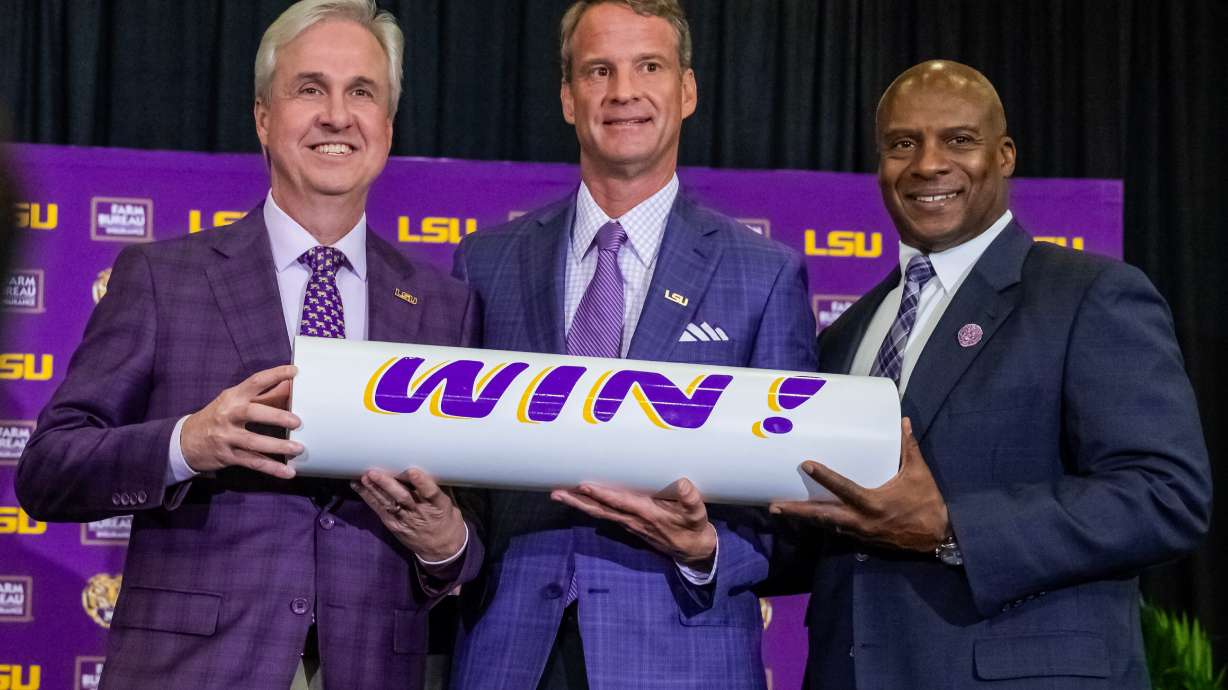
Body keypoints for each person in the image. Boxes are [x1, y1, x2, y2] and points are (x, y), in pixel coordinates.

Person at [15, 1, 481, 688]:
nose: (337, 115)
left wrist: (446, 544)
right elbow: (49, 470)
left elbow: (475, 532)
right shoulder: (162, 278)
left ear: (386, 125)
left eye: (362, 93)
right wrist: (187, 444)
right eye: (310, 88)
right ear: (264, 117)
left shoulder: (444, 306)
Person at [769, 60, 1212, 688]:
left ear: (1004, 156)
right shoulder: (847, 334)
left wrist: (952, 528)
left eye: (958, 139)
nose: (928, 164)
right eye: (902, 144)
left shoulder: (1089, 295)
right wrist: (705, 541)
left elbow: (1166, 495)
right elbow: (831, 526)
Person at [447, 1, 816, 688]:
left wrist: (705, 548)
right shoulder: (486, 262)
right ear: (568, 98)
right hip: (510, 656)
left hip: (681, 656)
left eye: (649, 66)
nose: (623, 92)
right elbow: (460, 474)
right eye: (599, 71)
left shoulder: (763, 274)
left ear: (687, 90)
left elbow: (792, 508)